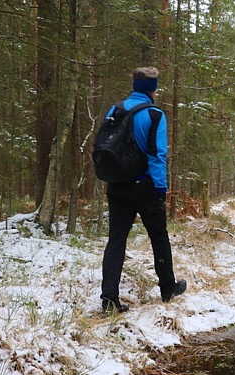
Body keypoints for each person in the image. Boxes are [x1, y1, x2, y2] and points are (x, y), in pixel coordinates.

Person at [100, 66, 186, 313]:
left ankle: (109, 299)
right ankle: (168, 287)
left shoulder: (115, 109)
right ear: (153, 89)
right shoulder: (154, 114)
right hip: (145, 185)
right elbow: (157, 155)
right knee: (158, 237)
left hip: (116, 184)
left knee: (116, 239)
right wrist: (161, 189)